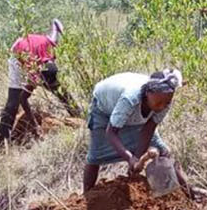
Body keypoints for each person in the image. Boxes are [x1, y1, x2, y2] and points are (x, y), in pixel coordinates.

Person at [83, 69, 195, 199]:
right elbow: (111, 132)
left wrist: (137, 157)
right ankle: (86, 197)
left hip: (134, 115)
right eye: (159, 103)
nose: (162, 107)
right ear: (148, 93)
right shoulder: (130, 98)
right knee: (96, 155)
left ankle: (189, 193)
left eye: (167, 103)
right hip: (104, 110)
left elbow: (149, 128)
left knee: (164, 152)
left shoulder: (164, 100)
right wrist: (130, 158)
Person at [0, 20, 82, 146]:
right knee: (13, 102)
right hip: (18, 55)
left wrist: (57, 26)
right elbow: (23, 99)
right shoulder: (33, 70)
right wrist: (34, 126)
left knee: (61, 91)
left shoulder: (50, 47)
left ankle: (79, 116)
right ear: (39, 78)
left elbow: (55, 27)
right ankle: (2, 140)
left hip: (36, 54)